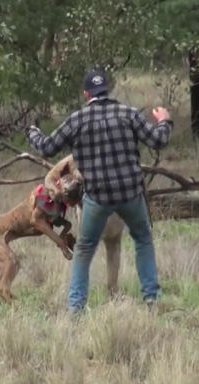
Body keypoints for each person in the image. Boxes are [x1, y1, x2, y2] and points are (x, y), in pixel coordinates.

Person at [26, 68, 173, 315]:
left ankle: (75, 307)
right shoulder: (128, 114)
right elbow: (158, 141)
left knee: (84, 249)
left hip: (98, 197)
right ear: (108, 90)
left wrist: (32, 132)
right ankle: (151, 298)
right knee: (143, 239)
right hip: (130, 194)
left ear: (86, 94)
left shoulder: (77, 120)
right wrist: (165, 120)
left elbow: (47, 148)